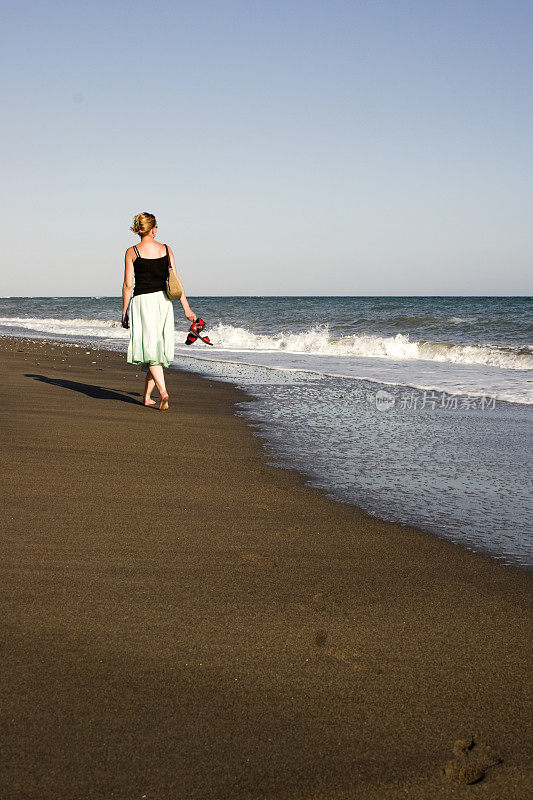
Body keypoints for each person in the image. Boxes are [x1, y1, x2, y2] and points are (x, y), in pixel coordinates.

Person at [122, 212, 196, 411]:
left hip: (142, 302)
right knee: (155, 348)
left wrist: (124, 311)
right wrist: (186, 308)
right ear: (153, 228)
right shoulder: (166, 249)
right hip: (163, 302)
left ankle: (163, 392)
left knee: (150, 348)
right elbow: (175, 281)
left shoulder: (132, 252)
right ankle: (147, 397)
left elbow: (129, 285)